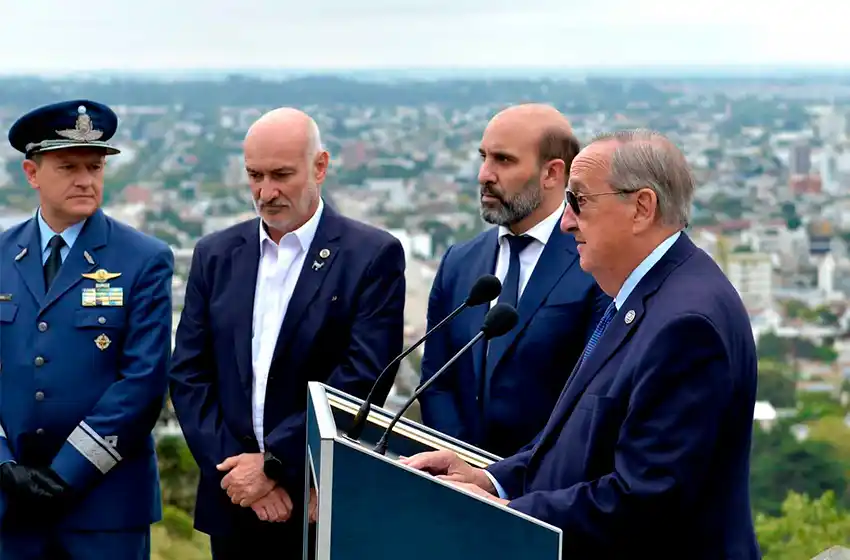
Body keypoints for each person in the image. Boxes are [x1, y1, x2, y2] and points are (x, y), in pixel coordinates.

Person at [403, 129, 761, 558]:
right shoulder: (641, 294)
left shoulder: (685, 324)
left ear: (641, 208)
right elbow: (575, 441)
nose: (567, 220)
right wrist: (489, 478)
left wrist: (510, 510)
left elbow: (644, 498)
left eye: (579, 201)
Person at [168, 107, 406, 558]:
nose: (265, 191)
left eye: (281, 174)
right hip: (233, 498)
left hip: (314, 498)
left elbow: (362, 378)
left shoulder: (371, 256)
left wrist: (276, 465)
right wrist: (241, 478)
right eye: (254, 175)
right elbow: (189, 375)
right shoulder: (215, 254)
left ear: (320, 166)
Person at [0, 99, 174, 558]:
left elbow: (142, 383)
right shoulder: (0, 254)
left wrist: (66, 474)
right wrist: (4, 467)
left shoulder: (142, 259)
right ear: (32, 173)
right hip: (9, 504)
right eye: (68, 166)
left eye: (94, 166)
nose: (86, 179)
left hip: (105, 507)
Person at [419, 104, 610, 458]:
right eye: (483, 157)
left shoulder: (597, 266)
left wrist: (502, 481)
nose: (484, 175)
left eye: (503, 161)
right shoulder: (459, 263)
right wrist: (461, 470)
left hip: (543, 496)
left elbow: (590, 403)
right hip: (455, 488)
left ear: (552, 174)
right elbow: (436, 384)